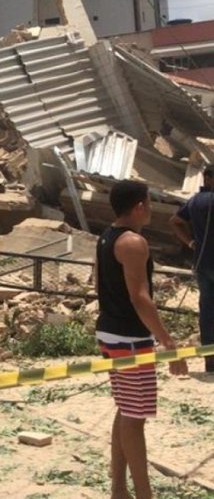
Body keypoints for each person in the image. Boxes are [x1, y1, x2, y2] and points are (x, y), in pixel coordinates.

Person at [96, 180, 187, 499]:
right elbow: (140, 298)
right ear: (139, 206)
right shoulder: (133, 242)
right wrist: (169, 344)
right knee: (135, 417)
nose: (150, 208)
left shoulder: (107, 236)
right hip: (129, 337)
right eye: (149, 202)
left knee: (125, 409)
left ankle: (119, 489)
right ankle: (144, 494)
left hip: (110, 331)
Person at [169, 164, 214, 373]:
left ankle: (210, 361)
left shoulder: (195, 201)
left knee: (207, 312)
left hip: (202, 263)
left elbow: (176, 221)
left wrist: (190, 243)